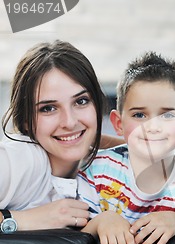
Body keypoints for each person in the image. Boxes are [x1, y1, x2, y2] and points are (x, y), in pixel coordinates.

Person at [78, 52, 175, 244]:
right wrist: (102, 221)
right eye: (139, 115)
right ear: (118, 123)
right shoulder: (97, 170)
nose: (153, 127)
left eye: (167, 115)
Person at [0, 39, 111, 232]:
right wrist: (21, 220)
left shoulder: (107, 166)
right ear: (26, 120)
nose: (69, 122)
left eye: (81, 101)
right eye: (48, 108)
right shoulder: (20, 160)